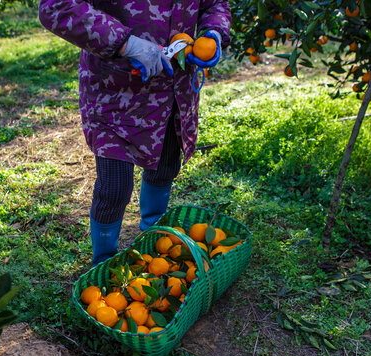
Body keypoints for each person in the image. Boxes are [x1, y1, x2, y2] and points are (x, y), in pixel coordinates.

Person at [38, 0, 231, 266]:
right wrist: (127, 44)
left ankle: (154, 240)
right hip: (115, 93)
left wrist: (213, 32)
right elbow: (57, 7)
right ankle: (104, 263)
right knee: (115, 189)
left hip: (174, 90)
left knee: (165, 169)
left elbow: (214, 4)